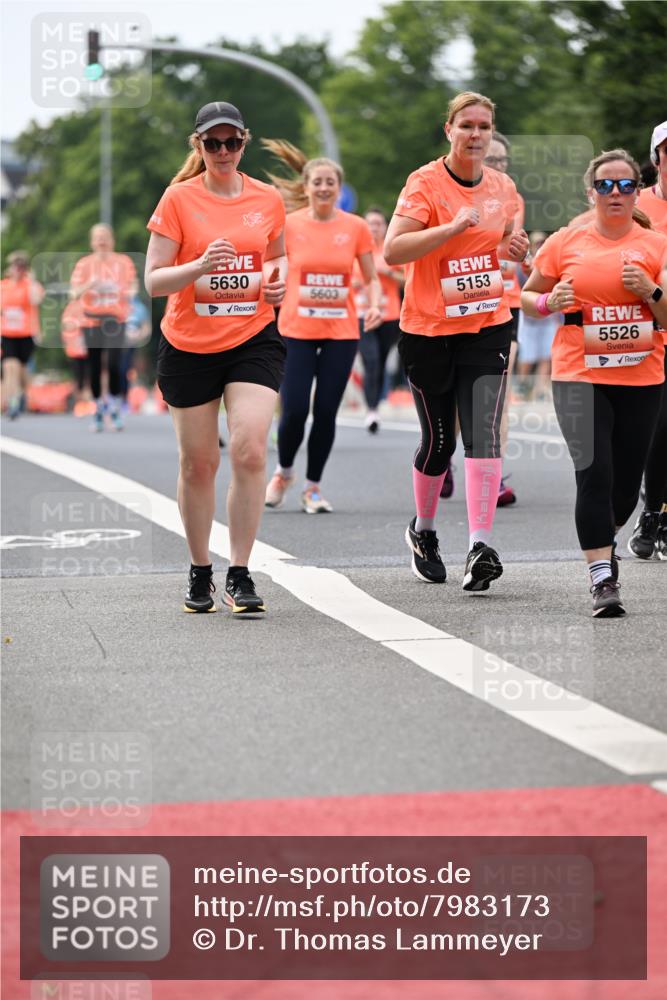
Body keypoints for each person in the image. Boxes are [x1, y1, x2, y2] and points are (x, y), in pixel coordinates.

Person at [145, 101, 287, 614]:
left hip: (253, 337)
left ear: (244, 142)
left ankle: (240, 572)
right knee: (199, 464)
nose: (223, 151)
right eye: (212, 143)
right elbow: (154, 280)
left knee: (249, 450)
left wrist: (278, 283)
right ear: (198, 145)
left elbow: (277, 255)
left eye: (231, 142)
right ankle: (200, 567)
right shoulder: (179, 199)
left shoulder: (267, 198)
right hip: (189, 345)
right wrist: (200, 266)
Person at [384, 91, 529, 591]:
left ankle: (480, 546)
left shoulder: (503, 187)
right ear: (449, 130)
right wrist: (448, 228)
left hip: (487, 322)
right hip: (428, 329)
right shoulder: (424, 183)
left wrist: (514, 247)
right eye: (466, 125)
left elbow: (504, 246)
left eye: (484, 126)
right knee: (440, 442)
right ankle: (423, 531)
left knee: (483, 434)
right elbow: (393, 251)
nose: (475, 134)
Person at [521, 148, 667, 617]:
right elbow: (527, 296)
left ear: (637, 191)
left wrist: (651, 292)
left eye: (626, 184)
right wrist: (548, 303)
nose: (615, 192)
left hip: (641, 375)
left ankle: (605, 540)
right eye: (605, 185)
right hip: (578, 373)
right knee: (594, 473)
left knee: (624, 488)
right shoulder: (566, 241)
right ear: (591, 193)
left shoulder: (657, 245)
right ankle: (602, 578)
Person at [262, 140, 382, 514]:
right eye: (318, 182)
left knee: (326, 411)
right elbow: (271, 263)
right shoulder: (289, 224)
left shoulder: (356, 227)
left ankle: (312, 487)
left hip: (340, 332)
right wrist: (270, 285)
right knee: (295, 408)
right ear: (307, 186)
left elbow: (371, 277)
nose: (324, 188)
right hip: (296, 328)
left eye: (331, 182)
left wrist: (374, 304)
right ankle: (283, 472)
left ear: (340, 188)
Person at [628, 120, 667, 560]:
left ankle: (661, 513)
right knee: (659, 429)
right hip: (647, 333)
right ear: (657, 159)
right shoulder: (636, 205)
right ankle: (651, 510)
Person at [485, 131, 525, 506]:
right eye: (490, 160)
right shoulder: (455, 196)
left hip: (505, 303)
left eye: (502, 161)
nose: (497, 166)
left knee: (500, 393)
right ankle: (444, 456)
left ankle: (493, 476)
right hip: (463, 303)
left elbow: (513, 247)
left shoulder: (514, 198)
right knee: (460, 396)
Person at [70, 224, 138, 431]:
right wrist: (90, 285)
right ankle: (99, 409)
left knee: (115, 364)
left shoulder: (123, 262)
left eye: (105, 236)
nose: (101, 240)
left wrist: (127, 293)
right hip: (91, 320)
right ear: (92, 242)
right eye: (98, 237)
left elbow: (133, 285)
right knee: (95, 365)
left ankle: (115, 406)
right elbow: (73, 293)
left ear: (112, 240)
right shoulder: (84, 264)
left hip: (115, 319)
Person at [352, 208, 405, 433]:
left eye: (378, 224)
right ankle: (372, 410)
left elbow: (408, 279)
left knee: (381, 361)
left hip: (389, 314)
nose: (374, 228)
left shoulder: (391, 249)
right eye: (370, 223)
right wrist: (354, 284)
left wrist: (388, 272)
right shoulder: (354, 248)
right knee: (371, 359)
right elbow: (341, 277)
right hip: (362, 313)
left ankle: (374, 405)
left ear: (385, 227)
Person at [516, 231, 559, 400]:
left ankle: (539, 390)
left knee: (546, 356)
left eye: (543, 243)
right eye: (537, 244)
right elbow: (521, 291)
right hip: (529, 320)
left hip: (549, 319)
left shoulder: (552, 264)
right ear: (532, 246)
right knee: (527, 356)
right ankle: (522, 386)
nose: (541, 246)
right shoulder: (523, 265)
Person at [1, 251, 44, 420]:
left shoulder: (31, 285)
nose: (18, 270)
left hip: (26, 334)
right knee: (10, 367)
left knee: (23, 373)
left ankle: (19, 394)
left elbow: (36, 300)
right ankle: (12, 403)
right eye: (15, 266)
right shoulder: (3, 286)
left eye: (21, 267)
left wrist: (32, 281)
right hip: (7, 333)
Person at [60, 297, 90, 413]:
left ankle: (87, 404)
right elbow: (67, 325)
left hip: (89, 349)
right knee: (78, 378)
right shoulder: (71, 307)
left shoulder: (92, 304)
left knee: (89, 377)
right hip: (75, 349)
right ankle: (79, 404)